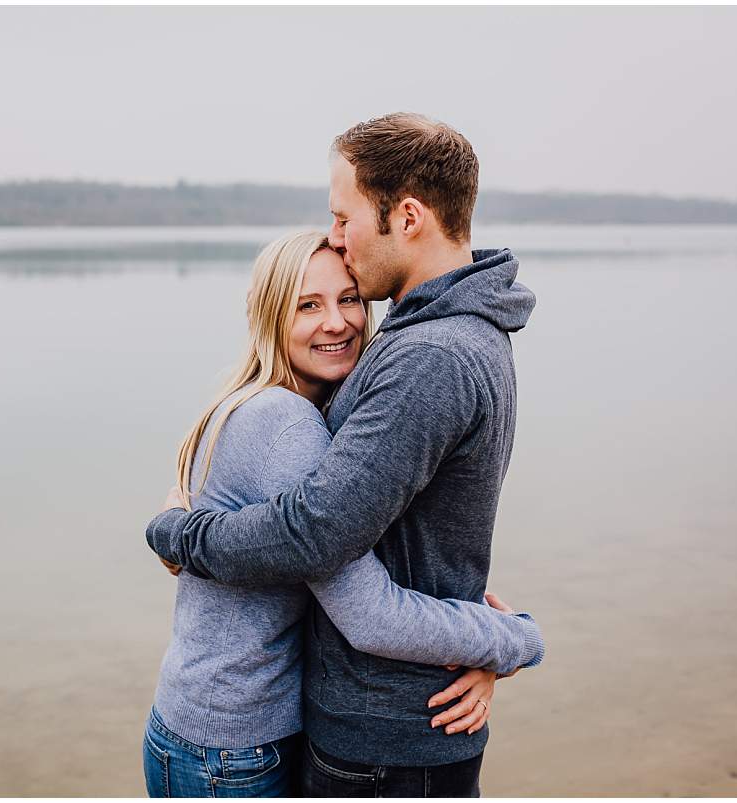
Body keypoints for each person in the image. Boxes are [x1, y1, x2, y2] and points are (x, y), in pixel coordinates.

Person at [147, 113, 536, 797]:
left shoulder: (430, 356)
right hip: (338, 726)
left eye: (343, 215)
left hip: (385, 733)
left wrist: (506, 640)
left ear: (407, 217)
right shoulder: (446, 334)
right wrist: (486, 634)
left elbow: (317, 534)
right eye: (308, 305)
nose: (336, 234)